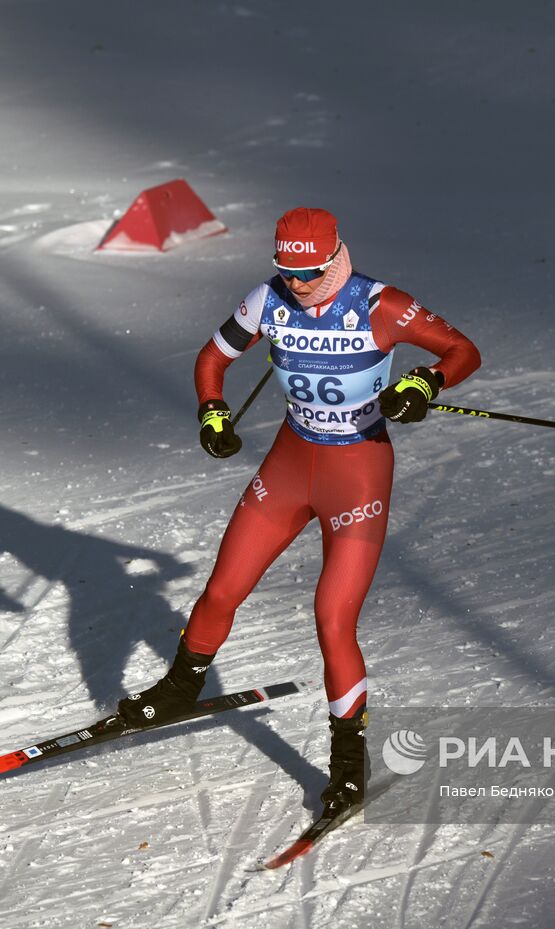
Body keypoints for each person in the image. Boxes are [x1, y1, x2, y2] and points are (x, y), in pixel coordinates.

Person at [119, 207, 481, 813]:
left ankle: (347, 766)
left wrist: (425, 384)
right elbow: (212, 358)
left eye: (310, 271)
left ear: (335, 255)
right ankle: (181, 688)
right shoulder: (268, 300)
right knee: (220, 590)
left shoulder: (379, 305)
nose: (299, 283)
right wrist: (212, 411)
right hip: (289, 466)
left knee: (331, 619)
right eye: (287, 271)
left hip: (356, 474)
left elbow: (462, 350)